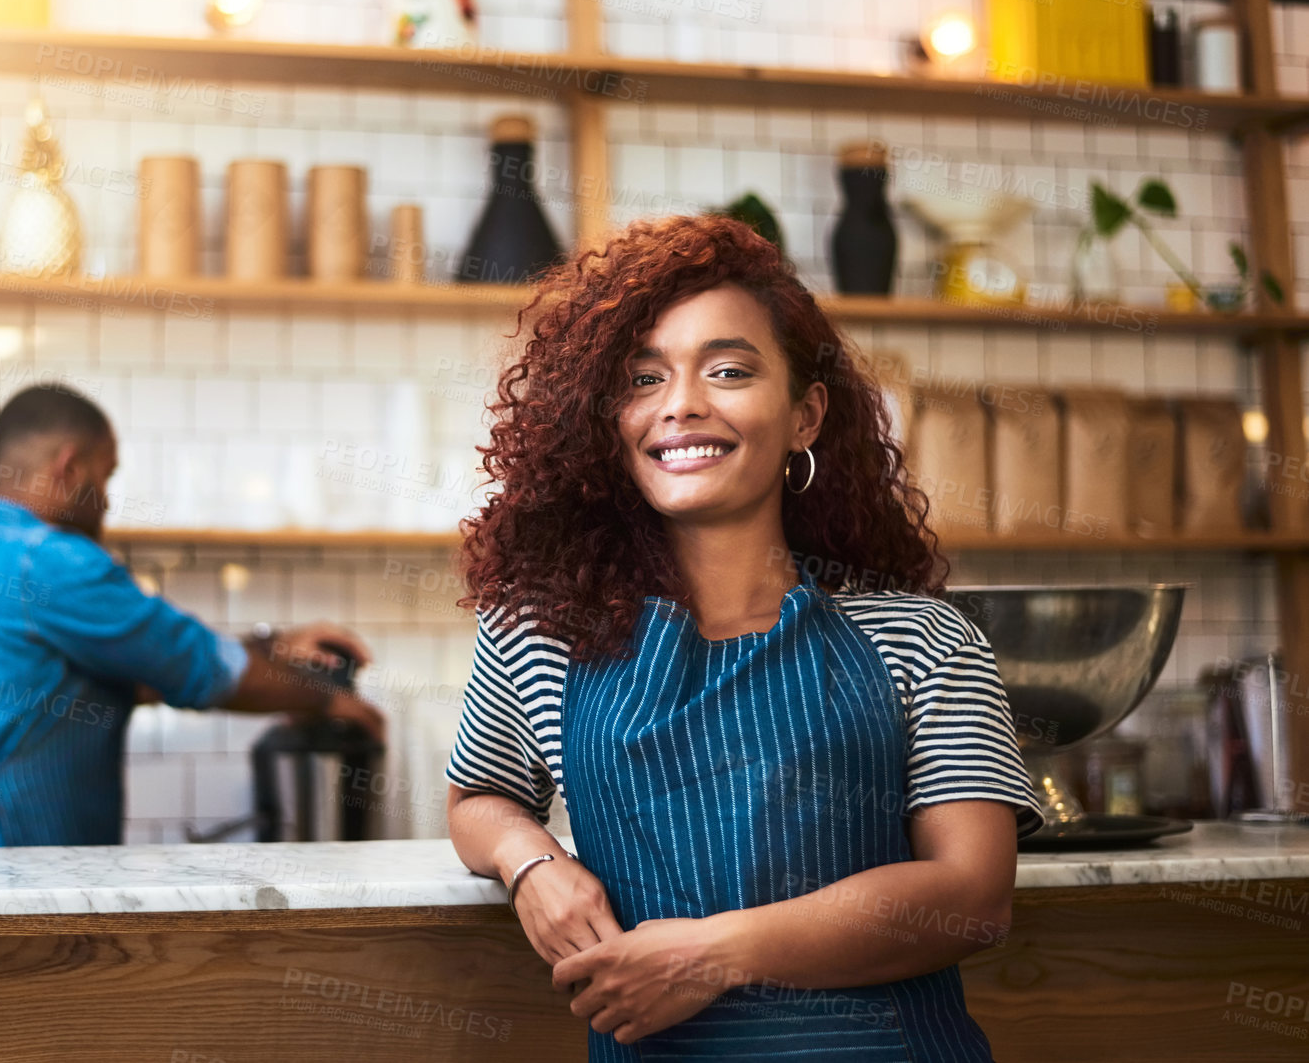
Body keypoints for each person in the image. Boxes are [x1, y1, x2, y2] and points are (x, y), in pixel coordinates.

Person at [443, 215, 1044, 1060]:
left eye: (727, 370)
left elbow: (971, 894)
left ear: (805, 414)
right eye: (642, 378)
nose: (681, 404)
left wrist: (713, 953)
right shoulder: (542, 633)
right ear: (603, 421)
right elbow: (478, 797)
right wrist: (528, 861)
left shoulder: (920, 638)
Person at [0, 383, 384, 848]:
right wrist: (327, 699)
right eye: (105, 476)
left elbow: (139, 671)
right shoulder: (51, 561)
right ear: (69, 467)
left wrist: (276, 645)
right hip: (22, 883)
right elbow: (198, 667)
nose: (107, 500)